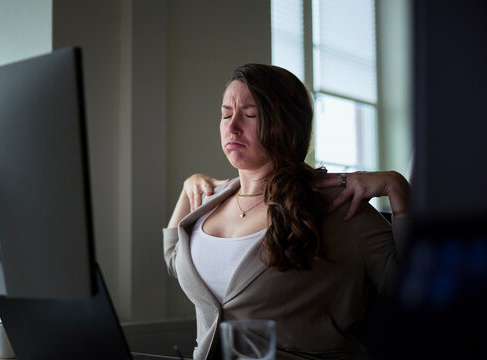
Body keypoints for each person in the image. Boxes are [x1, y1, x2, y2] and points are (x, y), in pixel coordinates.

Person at [163, 64, 410, 359]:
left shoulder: (338, 206)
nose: (232, 127)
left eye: (250, 115)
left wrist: (397, 189)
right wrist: (186, 189)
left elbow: (414, 286)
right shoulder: (210, 200)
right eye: (226, 114)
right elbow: (175, 260)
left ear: (287, 124)